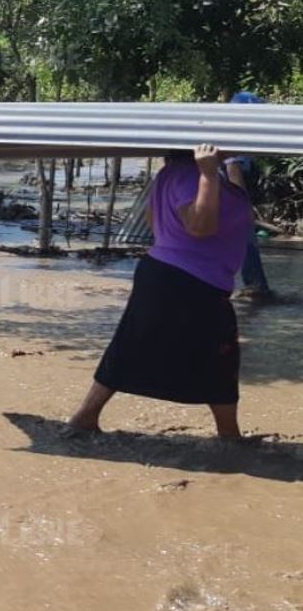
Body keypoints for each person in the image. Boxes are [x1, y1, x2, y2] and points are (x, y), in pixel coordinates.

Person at [66, 144, 252, 440]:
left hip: (173, 276)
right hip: (185, 280)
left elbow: (156, 222)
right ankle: (230, 437)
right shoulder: (190, 175)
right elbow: (199, 226)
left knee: (134, 346)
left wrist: (230, 166)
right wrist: (207, 175)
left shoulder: (177, 174)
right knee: (220, 354)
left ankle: (85, 416)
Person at [228, 91, 273, 302]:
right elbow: (233, 172)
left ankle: (252, 285)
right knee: (246, 242)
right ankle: (254, 286)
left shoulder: (241, 136)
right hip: (227, 200)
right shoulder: (235, 136)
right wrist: (243, 208)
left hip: (225, 199)